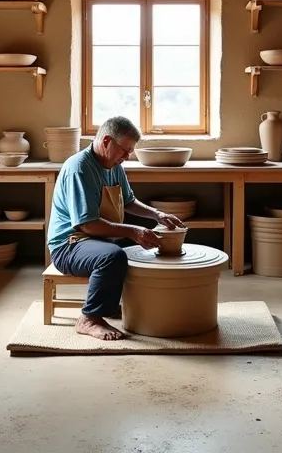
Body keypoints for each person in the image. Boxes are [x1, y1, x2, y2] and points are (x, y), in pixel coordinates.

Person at [47, 116, 187, 340]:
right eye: (125, 150)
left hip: (98, 238)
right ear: (106, 142)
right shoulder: (79, 169)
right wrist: (133, 231)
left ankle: (109, 305)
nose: (127, 156)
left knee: (144, 249)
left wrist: (157, 215)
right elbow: (88, 225)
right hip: (69, 245)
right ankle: (89, 318)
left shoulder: (114, 165)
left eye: (130, 151)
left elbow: (129, 201)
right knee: (112, 257)